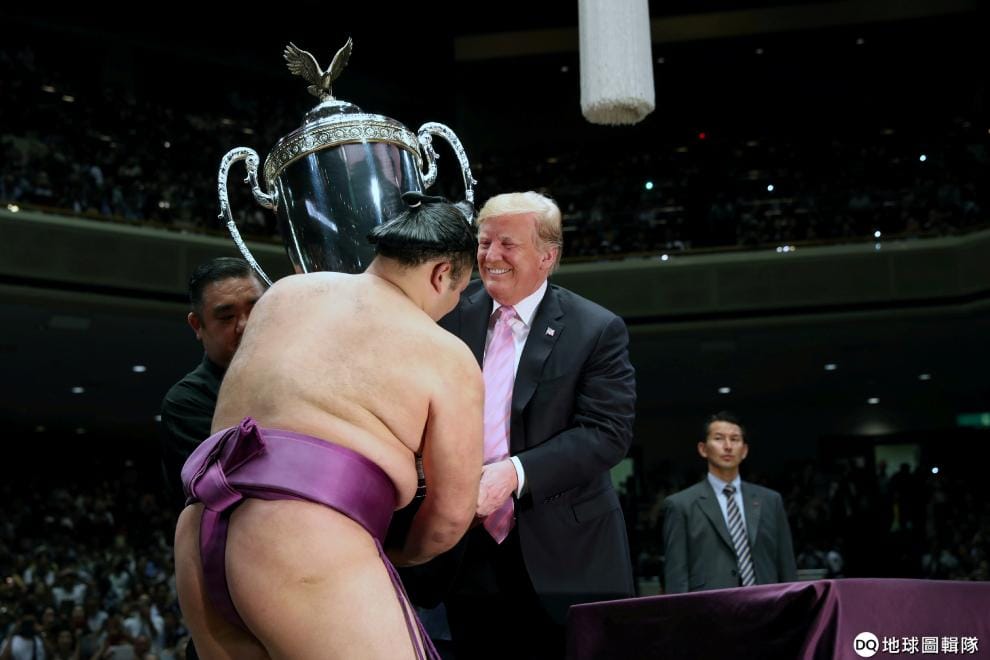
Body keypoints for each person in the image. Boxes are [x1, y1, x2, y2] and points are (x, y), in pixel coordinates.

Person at [173, 193, 483, 659]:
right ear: (442, 274)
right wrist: (400, 554)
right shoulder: (447, 354)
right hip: (302, 539)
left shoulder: (285, 293)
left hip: (199, 528)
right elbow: (450, 518)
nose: (452, 305)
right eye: (458, 293)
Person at [433, 191, 637, 659]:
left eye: (508, 244)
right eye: (484, 242)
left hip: (567, 556)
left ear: (547, 256)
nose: (491, 256)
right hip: (465, 552)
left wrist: (514, 474)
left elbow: (607, 433)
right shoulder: (446, 316)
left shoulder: (596, 329)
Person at [159, 257, 267, 510]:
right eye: (227, 317)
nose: (245, 325)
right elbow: (228, 491)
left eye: (256, 309)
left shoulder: (301, 371)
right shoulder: (186, 402)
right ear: (197, 325)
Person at [662, 411, 797, 593]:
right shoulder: (680, 505)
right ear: (703, 449)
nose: (728, 446)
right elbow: (676, 576)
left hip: (767, 602)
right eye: (719, 438)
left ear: (745, 450)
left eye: (734, 439)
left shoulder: (770, 501)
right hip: (709, 605)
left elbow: (787, 566)